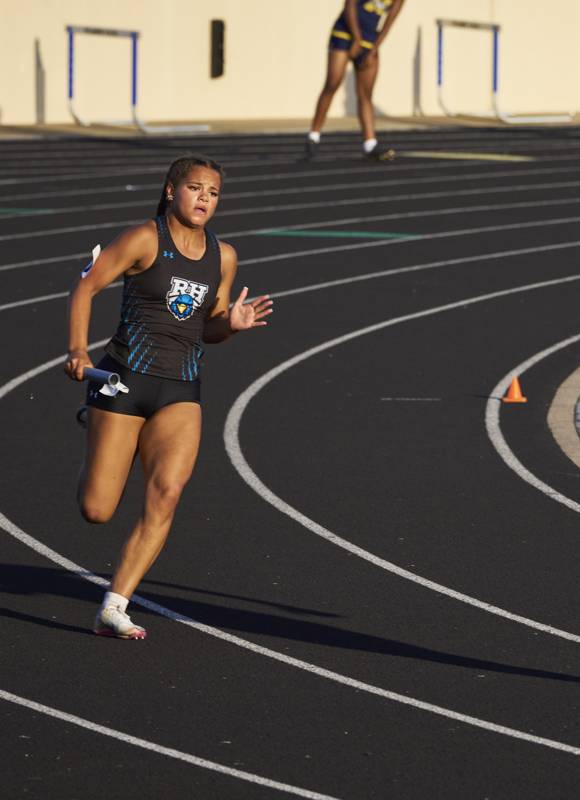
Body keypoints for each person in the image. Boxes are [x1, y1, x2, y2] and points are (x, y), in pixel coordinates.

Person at [65, 155, 273, 639]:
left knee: (167, 492)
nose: (204, 199)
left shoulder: (223, 256)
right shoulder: (144, 239)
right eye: (195, 188)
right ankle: (96, 421)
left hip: (180, 388)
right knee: (97, 509)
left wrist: (230, 325)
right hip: (123, 380)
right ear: (170, 191)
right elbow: (85, 288)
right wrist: (77, 349)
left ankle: (114, 605)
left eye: (213, 193)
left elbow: (210, 328)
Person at [306, 0, 406, 162]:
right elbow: (349, 5)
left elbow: (389, 23)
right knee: (332, 83)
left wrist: (374, 49)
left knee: (365, 94)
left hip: (369, 40)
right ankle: (314, 135)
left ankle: (370, 144)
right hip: (345, 33)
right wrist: (357, 39)